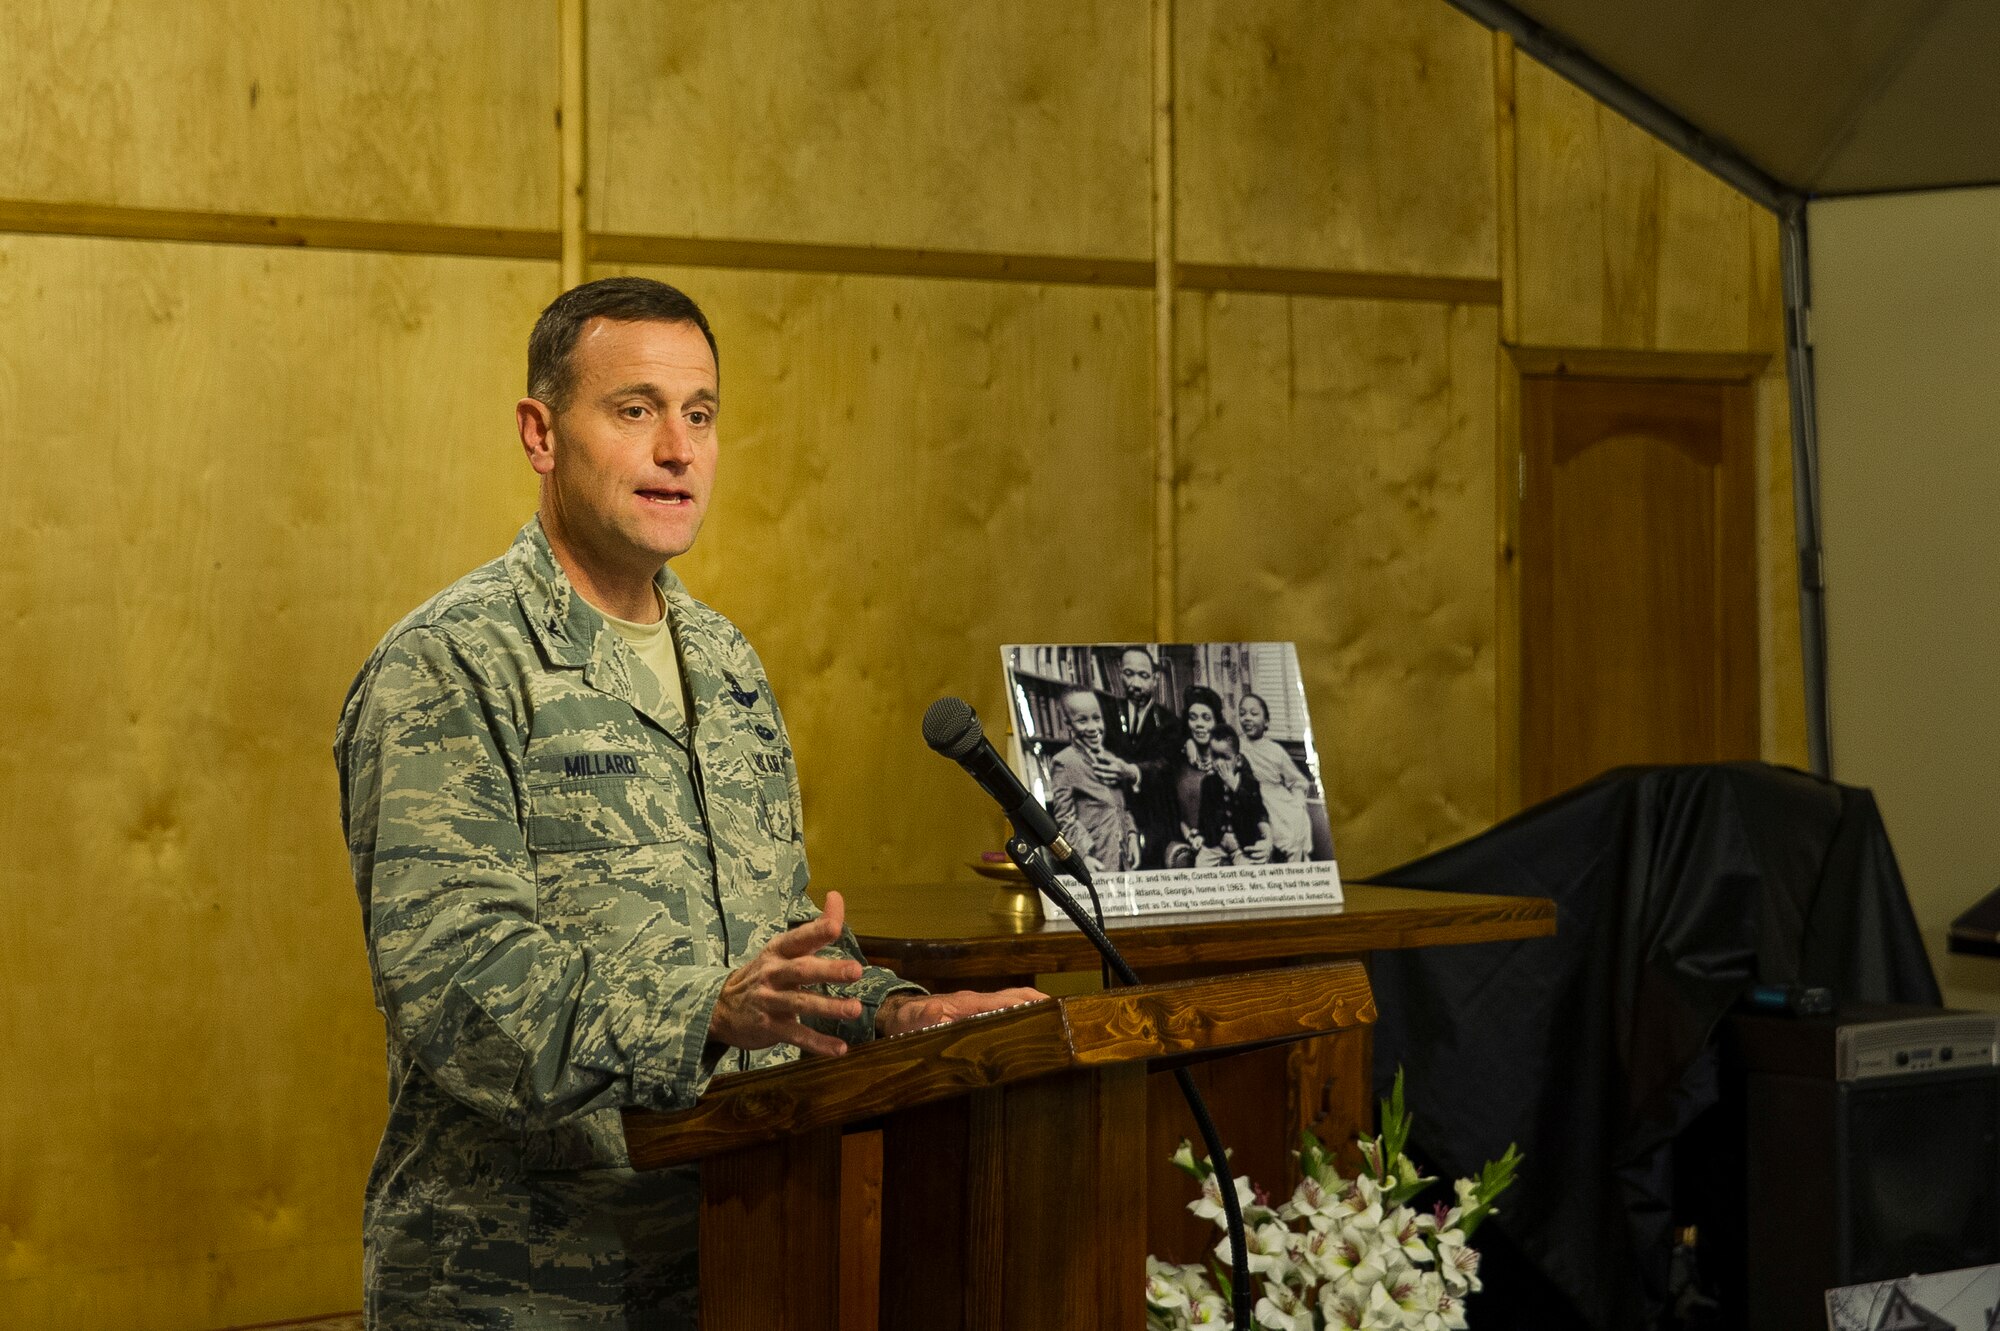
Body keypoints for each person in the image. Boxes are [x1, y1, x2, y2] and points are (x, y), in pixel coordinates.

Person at [334, 277, 1041, 1330]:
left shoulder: (724, 660)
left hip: (744, 1263)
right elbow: (459, 990)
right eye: (636, 410)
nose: (678, 448)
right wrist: (700, 1016)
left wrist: (893, 1010)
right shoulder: (451, 664)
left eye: (699, 414)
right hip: (519, 1287)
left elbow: (765, 942)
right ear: (540, 432)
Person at [1095, 646, 1185, 868]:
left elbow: (1166, 765)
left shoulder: (1170, 722)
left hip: (1155, 816)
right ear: (1120, 673)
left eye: (1143, 676)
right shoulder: (1104, 714)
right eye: (1129, 674)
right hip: (1112, 809)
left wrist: (1132, 771)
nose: (1135, 683)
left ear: (1154, 679)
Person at [1046, 688, 1138, 873]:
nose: (1093, 727)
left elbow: (1121, 805)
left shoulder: (1111, 759)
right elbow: (1065, 818)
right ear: (1068, 725)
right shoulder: (1064, 762)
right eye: (1082, 720)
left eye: (1097, 718)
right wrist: (1083, 856)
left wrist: (1132, 835)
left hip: (1121, 856)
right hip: (1096, 859)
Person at [1236, 692, 1314, 861]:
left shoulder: (1275, 750)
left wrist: (1297, 804)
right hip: (1252, 799)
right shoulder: (1236, 746)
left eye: (1254, 713)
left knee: (1293, 832)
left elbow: (1298, 781)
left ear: (1266, 722)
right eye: (1242, 713)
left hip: (1279, 801)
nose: (1247, 718)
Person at [1170, 686, 1229, 868]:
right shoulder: (1177, 764)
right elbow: (1174, 814)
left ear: (1216, 723)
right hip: (1190, 840)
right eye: (1193, 718)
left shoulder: (1229, 761)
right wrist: (1189, 835)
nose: (1199, 724)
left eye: (1206, 718)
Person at [1195, 729, 1273, 867]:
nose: (1219, 763)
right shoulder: (1208, 783)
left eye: (1225, 757)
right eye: (1215, 756)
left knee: (1247, 869)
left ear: (1237, 760)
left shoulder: (1249, 783)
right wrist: (1202, 835)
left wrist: (1234, 785)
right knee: (1200, 864)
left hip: (1242, 844)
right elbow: (1205, 815)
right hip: (1216, 843)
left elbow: (1256, 811)